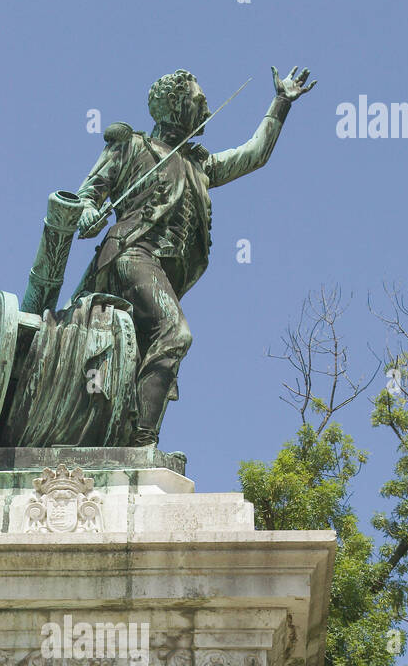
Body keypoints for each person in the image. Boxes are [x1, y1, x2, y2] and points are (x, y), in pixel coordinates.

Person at [74, 66, 316, 446]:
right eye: (199, 103)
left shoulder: (200, 165)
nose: (206, 111)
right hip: (131, 254)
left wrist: (281, 103)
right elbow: (88, 194)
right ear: (173, 107)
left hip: (162, 275)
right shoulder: (132, 146)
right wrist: (88, 210)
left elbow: (253, 155)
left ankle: (121, 435)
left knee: (139, 355)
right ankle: (142, 441)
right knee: (175, 332)